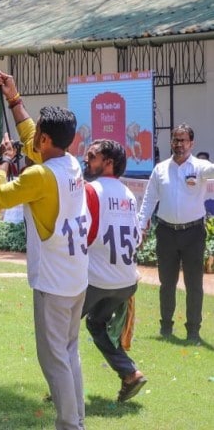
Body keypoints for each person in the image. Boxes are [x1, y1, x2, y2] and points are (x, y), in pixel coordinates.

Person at [0, 71, 89, 430]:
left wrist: (3, 164)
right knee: (70, 354)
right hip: (76, 278)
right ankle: (78, 421)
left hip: (53, 281)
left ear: (48, 139)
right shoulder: (71, 164)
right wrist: (14, 99)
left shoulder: (39, 176)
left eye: (39, 135)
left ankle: (70, 426)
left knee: (54, 361)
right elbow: (31, 134)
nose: (33, 139)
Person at [81, 139, 148, 402]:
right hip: (126, 281)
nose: (87, 160)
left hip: (97, 280)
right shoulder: (128, 194)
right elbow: (137, 239)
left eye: (92, 156)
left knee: (61, 331)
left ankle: (63, 387)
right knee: (96, 324)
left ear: (108, 162)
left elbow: (82, 235)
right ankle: (130, 373)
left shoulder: (90, 190)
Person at [138, 124, 214, 344]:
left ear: (191, 143)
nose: (178, 144)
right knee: (167, 283)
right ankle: (166, 328)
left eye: (183, 140)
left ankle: (193, 331)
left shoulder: (200, 167)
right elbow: (149, 200)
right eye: (175, 140)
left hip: (193, 233)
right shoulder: (160, 169)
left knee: (194, 284)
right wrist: (142, 227)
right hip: (166, 232)